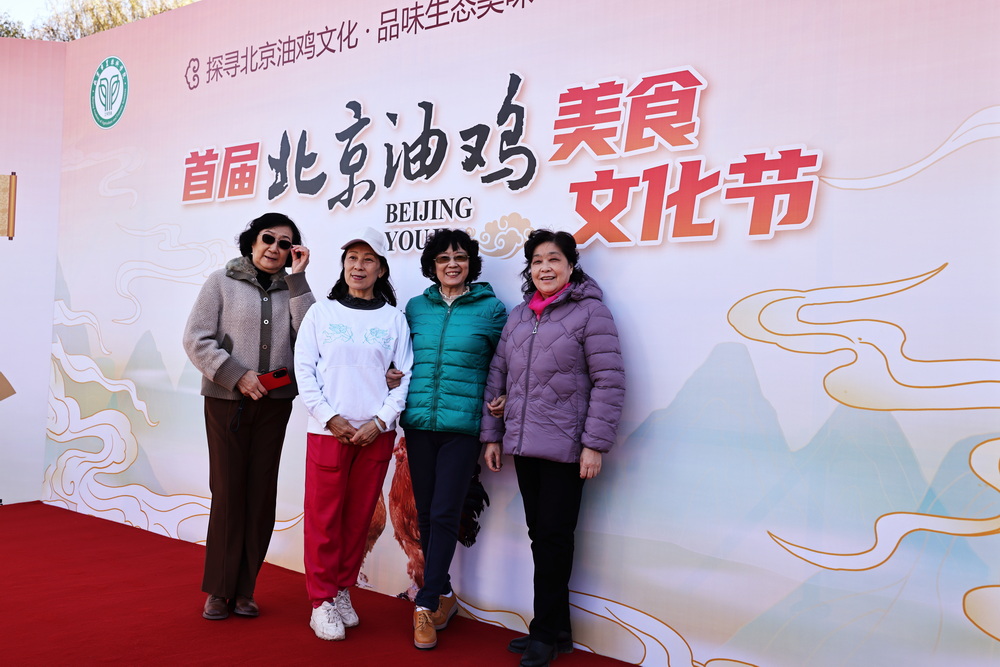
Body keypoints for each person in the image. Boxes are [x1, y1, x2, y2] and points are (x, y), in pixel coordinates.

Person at [481, 229, 626, 667]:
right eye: (537, 261)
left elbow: (609, 381)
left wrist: (594, 445)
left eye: (554, 259)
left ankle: (544, 633)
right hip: (525, 445)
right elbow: (499, 375)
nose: (545, 268)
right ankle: (558, 629)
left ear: (571, 265)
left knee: (553, 539)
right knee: (542, 537)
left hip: (566, 449)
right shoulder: (520, 315)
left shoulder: (591, 313)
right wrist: (493, 433)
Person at [183, 212, 314, 621]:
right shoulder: (220, 282)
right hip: (226, 401)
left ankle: (245, 589)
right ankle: (219, 590)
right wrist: (236, 375)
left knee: (260, 496)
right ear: (252, 242)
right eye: (267, 239)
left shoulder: (293, 289)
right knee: (228, 493)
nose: (274, 248)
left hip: (274, 404)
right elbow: (196, 339)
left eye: (284, 244)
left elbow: (312, 336)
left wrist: (299, 280)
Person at [294, 227, 413, 642]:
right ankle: (321, 600)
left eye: (368, 260)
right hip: (328, 432)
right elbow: (304, 371)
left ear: (381, 269)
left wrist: (380, 422)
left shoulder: (394, 319)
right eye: (352, 259)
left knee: (359, 518)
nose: (358, 266)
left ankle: (342, 588)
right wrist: (330, 418)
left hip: (375, 434)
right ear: (343, 265)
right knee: (324, 519)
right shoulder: (321, 314)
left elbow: (404, 377)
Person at [401, 228, 507, 650]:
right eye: (443, 258)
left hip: (463, 428)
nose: (452, 264)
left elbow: (506, 365)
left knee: (445, 513)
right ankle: (444, 593)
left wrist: (503, 400)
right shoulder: (415, 307)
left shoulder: (491, 309)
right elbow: (399, 356)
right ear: (432, 265)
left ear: (470, 263)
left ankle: (425, 604)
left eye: (460, 257)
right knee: (426, 514)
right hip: (418, 424)